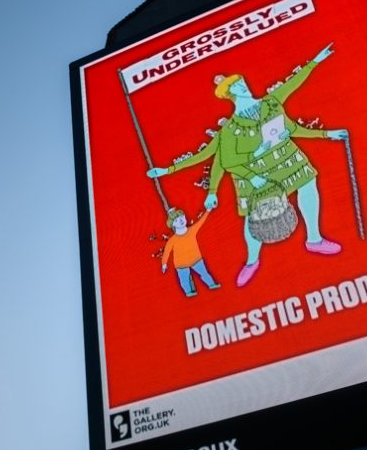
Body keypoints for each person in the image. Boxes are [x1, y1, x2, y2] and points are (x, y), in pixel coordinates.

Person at [147, 43, 348, 288]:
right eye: (236, 85)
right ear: (230, 94)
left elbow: (293, 90)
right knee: (255, 217)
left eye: (241, 81)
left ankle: (314, 239)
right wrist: (169, 171)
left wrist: (316, 62)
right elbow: (223, 160)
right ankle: (252, 261)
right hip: (255, 173)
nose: (243, 84)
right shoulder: (230, 129)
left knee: (308, 184)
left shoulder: (271, 103)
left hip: (286, 158)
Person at [160, 206, 220, 297]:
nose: (181, 220)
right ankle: (189, 292)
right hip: (181, 264)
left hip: (196, 259)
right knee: (184, 280)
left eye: (182, 217)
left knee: (204, 273)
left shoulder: (191, 230)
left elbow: (201, 222)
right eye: (177, 220)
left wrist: (207, 211)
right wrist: (164, 264)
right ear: (173, 225)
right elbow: (166, 252)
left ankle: (211, 284)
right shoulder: (172, 240)